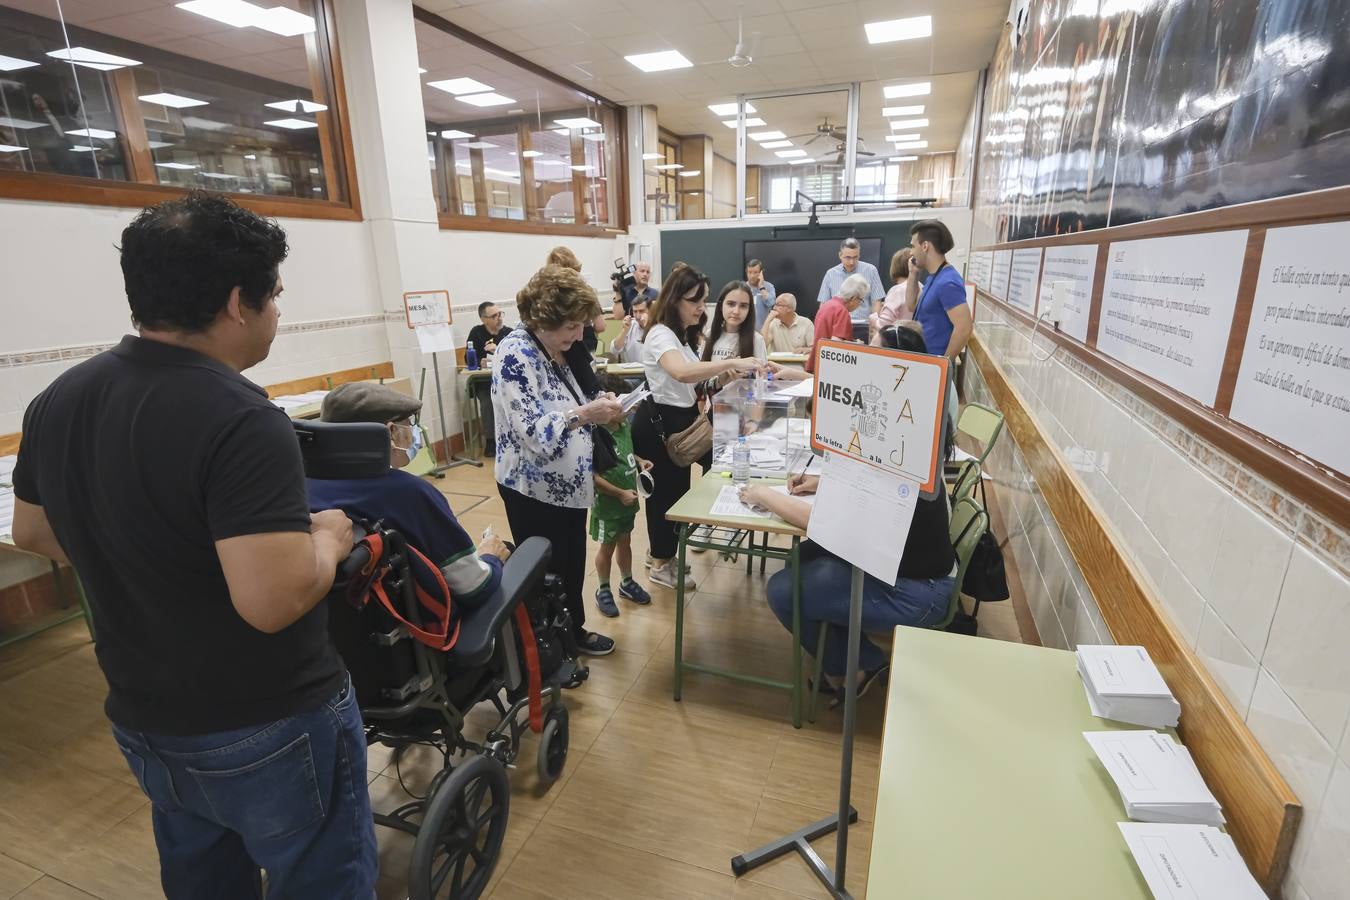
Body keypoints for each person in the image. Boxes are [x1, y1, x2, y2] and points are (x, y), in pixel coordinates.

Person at [10, 191, 377, 898]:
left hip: (146, 714)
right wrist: (328, 540)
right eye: (274, 297)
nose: (276, 313)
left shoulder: (58, 399)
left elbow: (32, 531)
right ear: (238, 303)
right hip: (265, 718)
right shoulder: (241, 419)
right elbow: (272, 602)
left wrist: (144, 560)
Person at [493, 264, 623, 656]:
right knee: (543, 575)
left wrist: (599, 405)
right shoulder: (514, 353)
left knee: (569, 565)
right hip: (532, 489)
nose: (579, 335)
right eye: (571, 327)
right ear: (543, 321)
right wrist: (586, 414)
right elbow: (533, 433)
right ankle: (547, 652)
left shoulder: (557, 348)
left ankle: (572, 632)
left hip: (569, 487)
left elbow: (571, 401)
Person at [307, 382, 511, 608]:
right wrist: (491, 556)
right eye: (409, 424)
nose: (413, 433)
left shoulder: (303, 487)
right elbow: (474, 588)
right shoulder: (409, 493)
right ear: (392, 432)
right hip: (431, 625)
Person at [632, 262, 763, 589]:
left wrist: (721, 376)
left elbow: (691, 380)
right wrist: (732, 361)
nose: (700, 309)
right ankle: (660, 564)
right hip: (660, 424)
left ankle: (663, 555)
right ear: (676, 299)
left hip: (681, 419)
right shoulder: (661, 333)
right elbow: (680, 372)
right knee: (665, 496)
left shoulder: (681, 336)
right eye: (694, 300)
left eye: (704, 300)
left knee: (676, 492)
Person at [589, 376, 654, 618]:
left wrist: (639, 462)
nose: (628, 413)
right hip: (608, 506)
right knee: (606, 548)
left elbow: (627, 452)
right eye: (623, 408)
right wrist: (618, 493)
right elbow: (593, 477)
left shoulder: (624, 426)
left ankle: (626, 582)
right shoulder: (597, 435)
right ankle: (603, 589)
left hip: (628, 503)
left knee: (625, 543)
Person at [902, 220, 973, 359]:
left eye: (913, 246)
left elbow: (964, 328)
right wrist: (913, 273)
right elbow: (911, 305)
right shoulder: (934, 277)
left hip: (934, 367)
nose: (911, 252)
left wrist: (943, 365)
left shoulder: (947, 282)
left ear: (925, 246)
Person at [467, 300, 513, 454]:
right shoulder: (476, 333)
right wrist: (481, 360)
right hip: (486, 381)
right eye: (494, 316)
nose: (499, 318)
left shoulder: (509, 333)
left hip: (507, 380)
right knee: (487, 401)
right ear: (483, 319)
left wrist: (498, 349)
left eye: (500, 314)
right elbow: (468, 359)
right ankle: (491, 441)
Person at [816, 237, 885, 331]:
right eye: (848, 257)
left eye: (855, 257)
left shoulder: (871, 270)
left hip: (863, 325)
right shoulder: (831, 274)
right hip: (837, 325)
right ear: (840, 255)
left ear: (859, 255)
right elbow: (824, 304)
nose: (852, 262)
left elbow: (876, 302)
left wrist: (874, 327)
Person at [805, 273, 870, 373]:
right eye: (861, 300)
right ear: (853, 298)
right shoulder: (842, 311)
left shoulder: (827, 305)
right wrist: (856, 344)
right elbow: (835, 345)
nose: (860, 304)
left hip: (815, 363)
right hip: (828, 369)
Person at [702, 280, 768, 372]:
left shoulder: (756, 339)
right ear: (721, 305)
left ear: (749, 310)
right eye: (731, 304)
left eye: (743, 306)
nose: (736, 311)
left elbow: (763, 377)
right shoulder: (709, 334)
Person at [870, 248, 919, 345]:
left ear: (895, 266)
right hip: (914, 344)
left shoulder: (897, 290)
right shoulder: (922, 287)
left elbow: (884, 325)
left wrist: (873, 318)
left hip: (896, 345)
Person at [611, 293, 650, 364]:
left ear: (650, 311)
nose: (638, 316)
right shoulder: (630, 325)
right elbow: (614, 350)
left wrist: (647, 327)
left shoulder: (658, 327)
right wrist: (624, 331)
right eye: (635, 312)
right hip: (632, 372)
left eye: (641, 311)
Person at [746, 258, 777, 328]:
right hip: (746, 330)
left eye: (755, 272)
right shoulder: (742, 287)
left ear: (761, 273)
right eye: (749, 272)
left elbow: (771, 303)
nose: (752, 276)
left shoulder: (769, 287)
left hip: (763, 330)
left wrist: (761, 287)